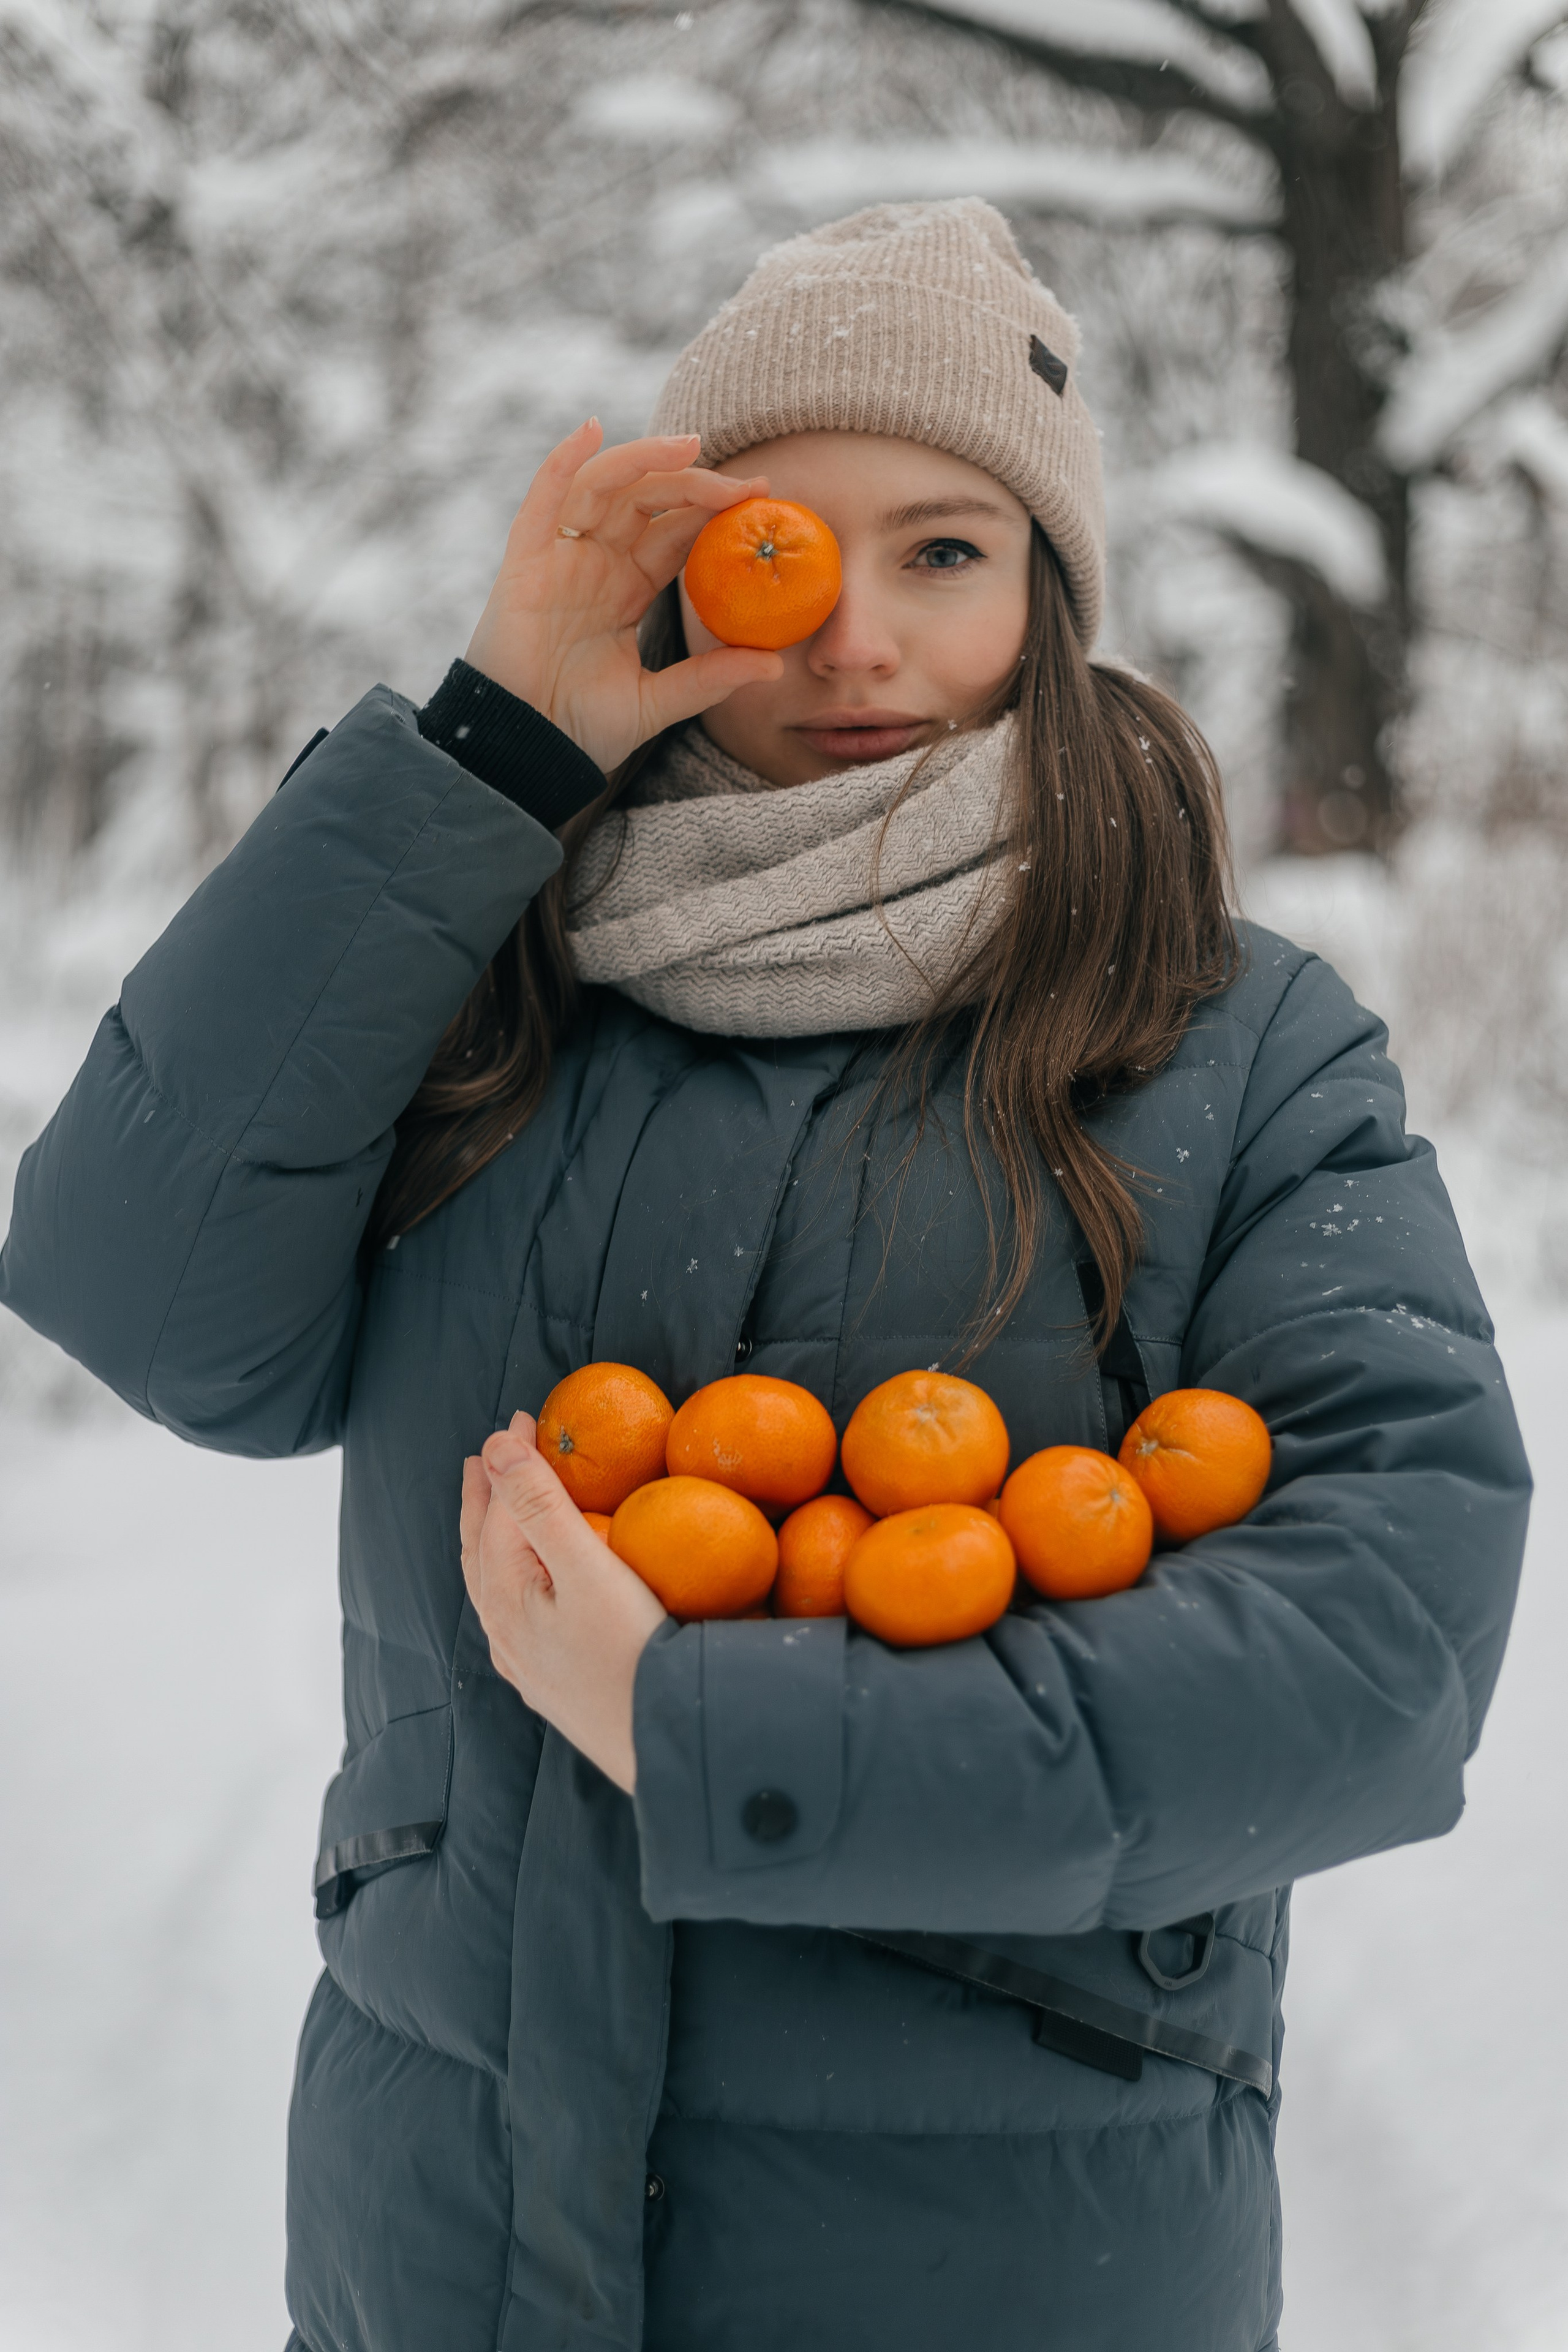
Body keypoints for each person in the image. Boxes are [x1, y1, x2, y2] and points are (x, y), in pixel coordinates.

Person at [0, 198, 1529, 2352]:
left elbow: (1384, 1647)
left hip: (1008, 2274)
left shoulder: (1235, 1043)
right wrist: (484, 754)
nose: (853, 645)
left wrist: (709, 1727)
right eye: (779, 550)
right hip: (441, 2265)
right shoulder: (495, 978)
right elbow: (142, 1300)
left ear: (1049, 597)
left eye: (942, 551)